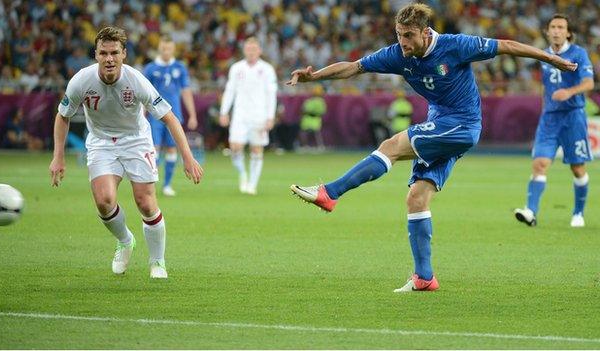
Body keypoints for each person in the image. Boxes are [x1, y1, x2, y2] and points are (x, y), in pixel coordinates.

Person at [287, 3, 576, 292]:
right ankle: (424, 277)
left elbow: (508, 46)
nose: (403, 42)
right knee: (416, 197)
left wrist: (552, 59)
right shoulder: (397, 55)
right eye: (399, 34)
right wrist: (315, 77)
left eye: (409, 35)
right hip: (439, 123)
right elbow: (354, 67)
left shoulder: (456, 46)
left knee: (390, 146)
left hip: (462, 125)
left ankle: (330, 192)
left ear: (426, 33)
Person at [49, 27, 203, 279]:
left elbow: (170, 118)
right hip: (101, 142)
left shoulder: (137, 81)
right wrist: (58, 156)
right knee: (104, 201)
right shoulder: (81, 80)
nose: (109, 58)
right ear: (96, 54)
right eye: (103, 53)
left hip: (136, 141)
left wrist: (187, 156)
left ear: (124, 54)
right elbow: (62, 116)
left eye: (114, 53)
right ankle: (124, 240)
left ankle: (157, 262)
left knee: (145, 202)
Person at [514, 14, 594, 228]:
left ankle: (578, 213)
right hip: (549, 118)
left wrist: (569, 92)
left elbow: (588, 83)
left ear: (568, 32)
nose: (557, 30)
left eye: (561, 27)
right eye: (553, 27)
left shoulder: (579, 53)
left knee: (577, 168)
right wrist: (545, 108)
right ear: (547, 32)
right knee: (539, 164)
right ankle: (530, 211)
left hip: (573, 117)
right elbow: (546, 88)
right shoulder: (544, 56)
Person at [219, 37, 278, 195]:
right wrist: (224, 111)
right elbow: (230, 90)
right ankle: (243, 174)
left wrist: (270, 116)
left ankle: (252, 184)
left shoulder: (267, 69)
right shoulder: (236, 68)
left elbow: (271, 94)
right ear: (244, 50)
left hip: (259, 115)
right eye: (248, 49)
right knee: (235, 147)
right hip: (240, 114)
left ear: (259, 51)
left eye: (254, 49)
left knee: (256, 149)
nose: (251, 52)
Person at [143, 35, 198, 197]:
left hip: (175, 114)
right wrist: (142, 114)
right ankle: (151, 183)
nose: (166, 51)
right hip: (155, 115)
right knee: (154, 149)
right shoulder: (150, 68)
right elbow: (143, 94)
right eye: (163, 48)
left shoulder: (180, 68)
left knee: (172, 149)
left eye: (169, 48)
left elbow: (186, 91)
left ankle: (167, 184)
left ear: (173, 49)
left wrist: (192, 115)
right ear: (159, 48)